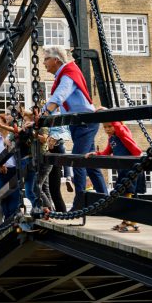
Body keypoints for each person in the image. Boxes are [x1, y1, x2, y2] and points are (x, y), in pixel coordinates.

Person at [42, 46, 108, 209]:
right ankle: (104, 201)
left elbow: (60, 95)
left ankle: (80, 203)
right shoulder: (66, 73)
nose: (44, 62)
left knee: (78, 160)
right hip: (79, 122)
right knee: (90, 163)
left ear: (56, 60)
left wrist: (44, 114)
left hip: (85, 122)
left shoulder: (68, 73)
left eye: (45, 59)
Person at [91, 120, 145, 233]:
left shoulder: (123, 132)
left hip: (132, 169)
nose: (107, 129)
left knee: (129, 195)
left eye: (110, 126)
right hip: (123, 170)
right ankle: (126, 221)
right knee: (123, 195)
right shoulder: (112, 139)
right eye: (105, 127)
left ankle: (134, 224)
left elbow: (119, 127)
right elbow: (107, 152)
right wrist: (96, 154)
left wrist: (108, 115)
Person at [0, 114, 21, 221]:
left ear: (5, 123)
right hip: (1, 173)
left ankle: (11, 220)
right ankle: (7, 221)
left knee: (14, 197)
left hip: (13, 171)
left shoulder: (13, 137)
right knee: (3, 198)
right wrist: (0, 164)